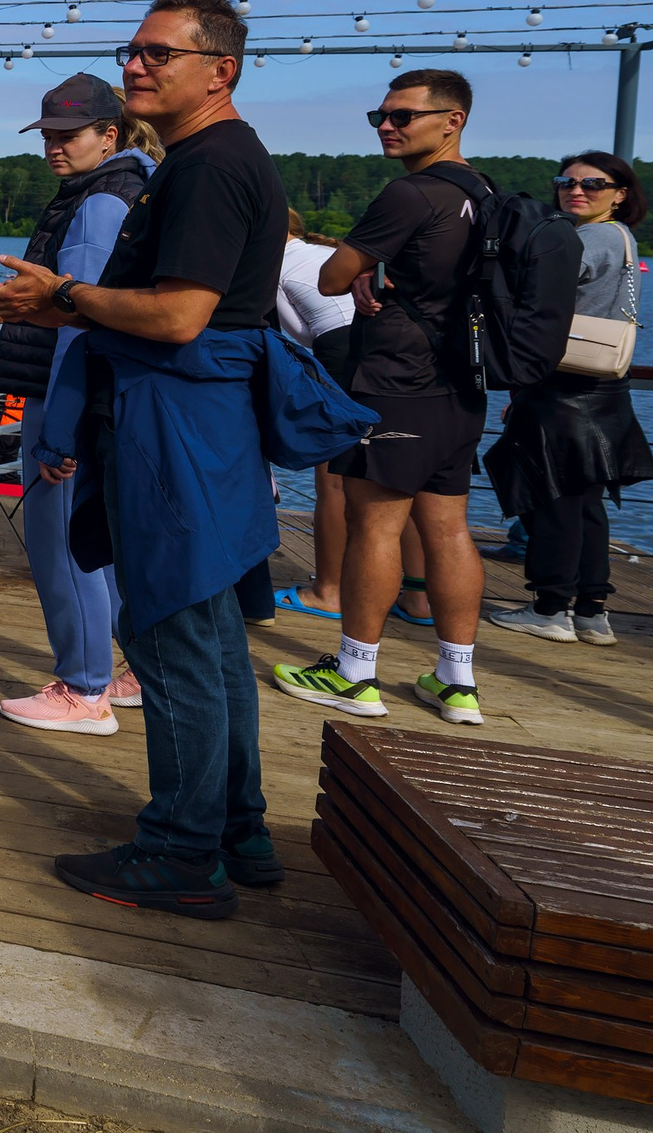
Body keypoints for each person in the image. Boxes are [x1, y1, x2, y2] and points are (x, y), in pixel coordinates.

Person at [0, 0, 293, 920]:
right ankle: (239, 827)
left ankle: (180, 851)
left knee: (172, 641)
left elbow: (179, 314)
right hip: (210, 426)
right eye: (134, 51)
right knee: (215, 640)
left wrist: (62, 299)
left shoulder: (203, 168)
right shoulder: (224, 159)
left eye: (159, 53)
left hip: (173, 425)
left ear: (219, 69)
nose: (136, 67)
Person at [273, 70, 492, 728]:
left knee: (377, 525)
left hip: (397, 380)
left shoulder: (411, 193)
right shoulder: (485, 192)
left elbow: (335, 273)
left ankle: (353, 672)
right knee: (449, 527)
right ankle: (457, 680)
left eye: (403, 115)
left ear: (451, 120)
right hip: (462, 382)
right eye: (380, 114)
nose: (386, 126)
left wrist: (365, 263)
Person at [0, 75, 153, 734]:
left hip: (68, 400)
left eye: (68, 135)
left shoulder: (99, 204)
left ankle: (84, 689)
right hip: (97, 397)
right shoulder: (123, 189)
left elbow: (77, 318)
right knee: (98, 545)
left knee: (62, 546)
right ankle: (127, 669)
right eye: (49, 135)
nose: (54, 147)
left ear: (108, 134)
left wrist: (60, 427)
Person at [484, 152, 653, 646]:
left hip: (563, 383)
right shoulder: (622, 239)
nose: (575, 190)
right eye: (566, 182)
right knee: (585, 498)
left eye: (593, 184)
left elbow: (530, 292)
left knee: (551, 492)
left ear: (621, 193)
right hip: (603, 387)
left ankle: (550, 606)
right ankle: (591, 611)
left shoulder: (586, 238)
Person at [271, 208, 433, 626]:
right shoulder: (318, 253)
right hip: (392, 350)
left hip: (342, 352)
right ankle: (418, 597)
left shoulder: (275, 267)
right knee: (399, 480)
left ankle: (328, 590)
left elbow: (298, 335)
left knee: (333, 482)